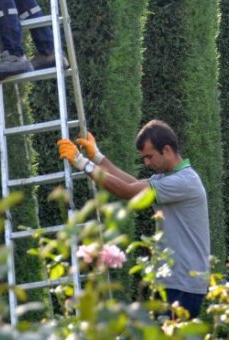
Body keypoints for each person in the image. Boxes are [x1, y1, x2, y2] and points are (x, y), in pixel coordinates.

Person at [57, 120, 211, 318]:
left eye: (149, 156)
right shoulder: (168, 178)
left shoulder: (183, 181)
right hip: (177, 282)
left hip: (183, 285)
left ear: (167, 150)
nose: (146, 163)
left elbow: (128, 192)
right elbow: (133, 184)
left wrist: (82, 163)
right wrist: (97, 158)